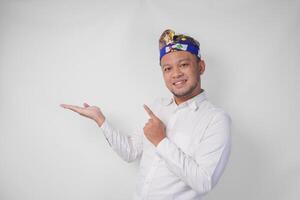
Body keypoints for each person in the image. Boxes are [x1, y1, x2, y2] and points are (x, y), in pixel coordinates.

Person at [60, 29, 232, 200]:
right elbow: (131, 152)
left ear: (200, 67)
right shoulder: (157, 107)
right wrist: (100, 120)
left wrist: (160, 141)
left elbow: (204, 182)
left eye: (184, 65)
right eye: (167, 68)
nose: (176, 74)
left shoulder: (216, 119)